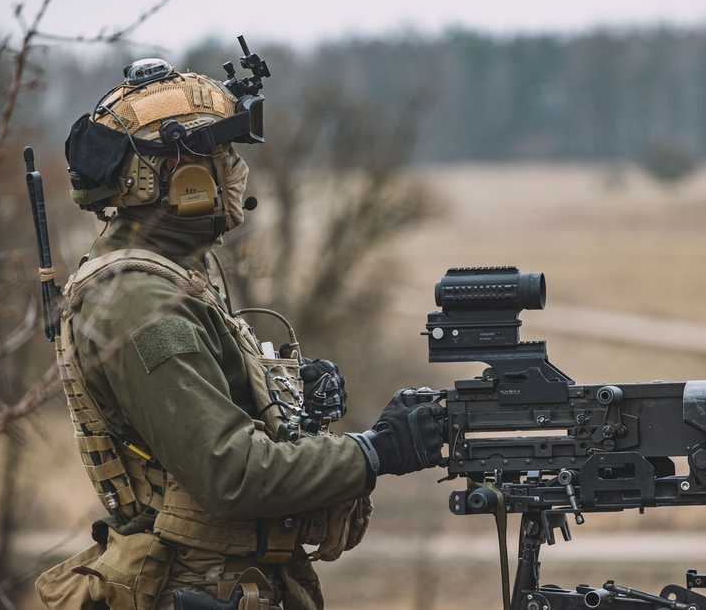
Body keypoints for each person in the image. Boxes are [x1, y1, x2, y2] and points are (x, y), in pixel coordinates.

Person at [35, 56, 444, 610]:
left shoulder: (172, 278)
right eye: (220, 155)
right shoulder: (139, 302)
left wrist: (288, 395)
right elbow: (230, 473)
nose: (235, 171)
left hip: (228, 580)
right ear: (175, 174)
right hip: (200, 585)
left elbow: (205, 422)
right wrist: (376, 451)